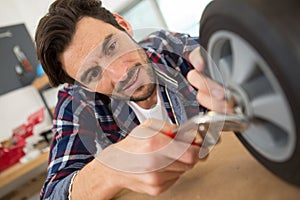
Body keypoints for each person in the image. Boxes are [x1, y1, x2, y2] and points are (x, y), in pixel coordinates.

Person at [35, 0, 230, 199]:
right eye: (93, 74)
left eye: (112, 47)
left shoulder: (169, 47)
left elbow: (245, 42)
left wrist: (229, 78)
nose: (121, 74)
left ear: (124, 25)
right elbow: (52, 195)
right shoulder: (76, 102)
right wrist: (111, 170)